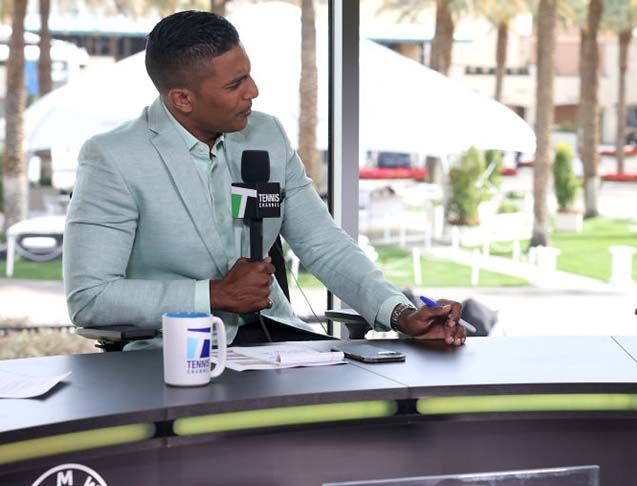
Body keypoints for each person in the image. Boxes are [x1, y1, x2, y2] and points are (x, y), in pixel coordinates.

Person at [64, 11, 465, 349]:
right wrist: (214, 294)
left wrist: (400, 313)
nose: (253, 91)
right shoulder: (114, 158)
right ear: (182, 99)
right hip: (172, 353)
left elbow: (324, 244)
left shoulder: (266, 135)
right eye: (234, 85)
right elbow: (91, 298)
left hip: (277, 343)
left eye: (248, 76)